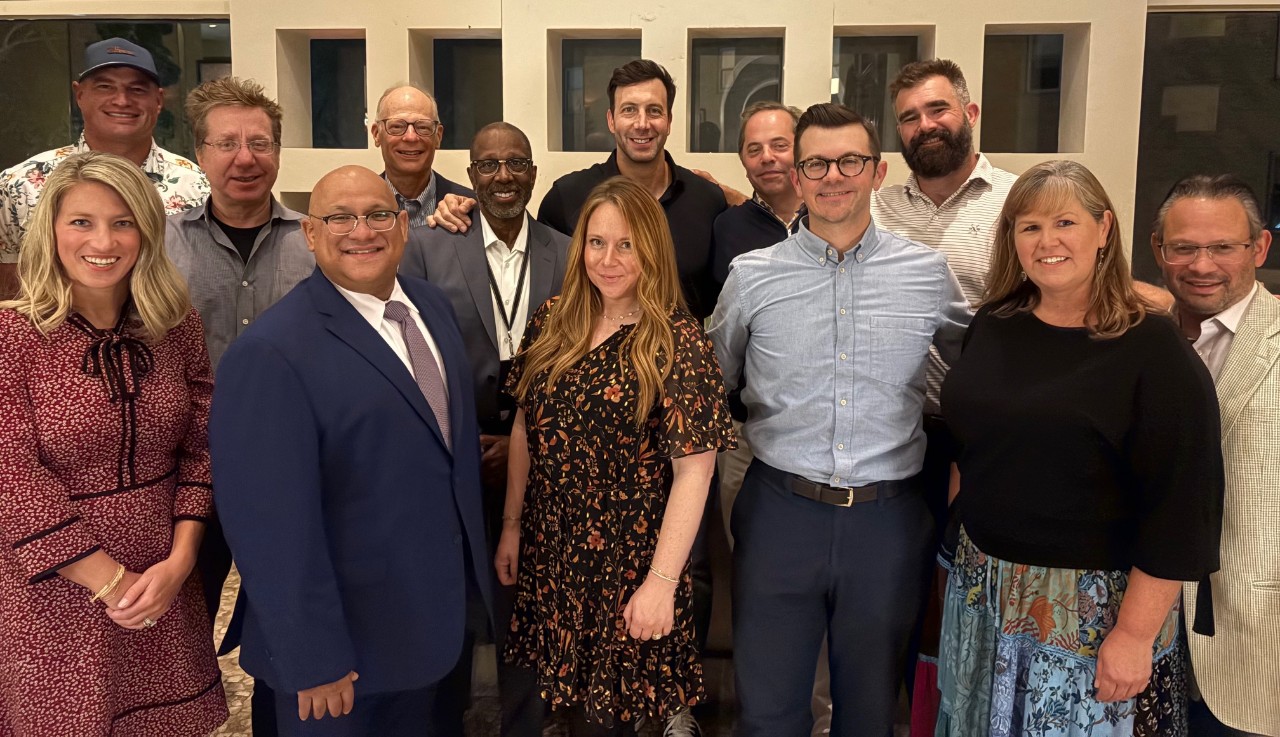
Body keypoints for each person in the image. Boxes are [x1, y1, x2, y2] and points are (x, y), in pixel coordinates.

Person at [708, 102, 971, 737]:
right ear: (796, 176)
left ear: (878, 172)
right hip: (779, 514)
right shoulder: (752, 277)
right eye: (817, 163)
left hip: (888, 521)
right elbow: (717, 376)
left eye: (849, 161)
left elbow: (981, 371)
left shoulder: (927, 275)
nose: (833, 176)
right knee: (768, 712)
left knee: (872, 713)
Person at [937, 160, 1224, 737]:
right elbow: (971, 446)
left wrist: (1136, 635)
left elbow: (1182, 504)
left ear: (1105, 229)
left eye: (1065, 222)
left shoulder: (1151, 346)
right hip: (983, 592)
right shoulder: (995, 322)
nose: (1048, 242)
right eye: (1030, 226)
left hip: (1091, 614)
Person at [209, 165, 492, 736]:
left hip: (432, 631)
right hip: (339, 663)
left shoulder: (432, 308)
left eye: (378, 214)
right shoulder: (271, 352)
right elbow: (269, 527)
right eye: (340, 217)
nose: (362, 231)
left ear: (404, 226)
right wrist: (313, 657)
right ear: (309, 234)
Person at [495, 176, 734, 737]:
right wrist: (511, 527)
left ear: (652, 248)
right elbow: (526, 428)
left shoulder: (675, 341)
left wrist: (662, 583)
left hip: (631, 565)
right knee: (561, 712)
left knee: (617, 720)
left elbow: (694, 473)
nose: (608, 259)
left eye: (626, 244)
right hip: (553, 554)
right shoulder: (553, 320)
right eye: (596, 242)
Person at [0, 151, 227, 735]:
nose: (103, 239)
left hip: (163, 579)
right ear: (51, 229)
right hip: (54, 595)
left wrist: (180, 562)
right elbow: (14, 478)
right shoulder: (13, 336)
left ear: (147, 232)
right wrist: (111, 583)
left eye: (123, 221)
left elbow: (201, 448)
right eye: (82, 221)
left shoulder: (176, 325)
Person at [400, 121, 570, 737]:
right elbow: (410, 346)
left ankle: (526, 725)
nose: (504, 176)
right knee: (451, 602)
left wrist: (530, 438)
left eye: (516, 163)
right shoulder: (427, 245)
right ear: (469, 175)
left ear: (532, 173)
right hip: (454, 454)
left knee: (526, 605)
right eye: (489, 165)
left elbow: (575, 358)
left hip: (542, 457)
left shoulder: (567, 250)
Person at [166, 74, 315, 737]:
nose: (244, 157)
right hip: (187, 470)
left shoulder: (315, 243)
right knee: (179, 620)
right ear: (199, 153)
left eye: (259, 142)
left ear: (278, 151)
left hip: (290, 472)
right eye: (227, 143)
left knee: (287, 620)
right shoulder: (160, 246)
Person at [429, 60, 727, 320]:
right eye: (629, 110)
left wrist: (739, 198)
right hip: (591, 371)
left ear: (669, 121)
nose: (642, 123)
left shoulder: (707, 200)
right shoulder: (568, 197)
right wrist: (466, 207)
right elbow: (520, 246)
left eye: (654, 111)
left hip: (682, 370)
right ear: (611, 120)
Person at [1152, 174, 1279, 737]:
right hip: (1137, 636)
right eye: (1184, 248)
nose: (1202, 265)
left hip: (1252, 643)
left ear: (1259, 247)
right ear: (1159, 249)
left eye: (1222, 247)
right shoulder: (1135, 341)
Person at [0, 37, 209, 297]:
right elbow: (9, 289)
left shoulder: (197, 186)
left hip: (165, 333)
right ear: (80, 95)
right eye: (105, 87)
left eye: (137, 89)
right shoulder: (19, 185)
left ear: (158, 100)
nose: (121, 100)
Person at [371, 84, 473, 227]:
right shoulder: (356, 208)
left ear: (438, 136)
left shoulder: (470, 210)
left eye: (423, 127)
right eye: (397, 127)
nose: (411, 137)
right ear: (376, 134)